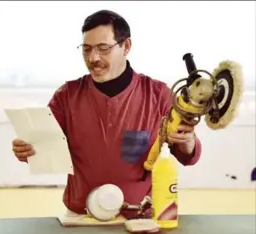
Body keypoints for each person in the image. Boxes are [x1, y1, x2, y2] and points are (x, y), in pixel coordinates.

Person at [11, 10, 202, 216]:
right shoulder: (66, 95)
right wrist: (27, 149)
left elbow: (188, 157)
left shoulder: (158, 95)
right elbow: (43, 146)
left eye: (103, 48)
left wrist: (188, 142)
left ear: (126, 46)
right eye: (86, 49)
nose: (93, 58)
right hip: (80, 218)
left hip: (140, 217)